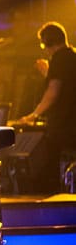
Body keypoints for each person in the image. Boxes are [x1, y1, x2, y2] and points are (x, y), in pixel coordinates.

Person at [19, 22, 76, 192]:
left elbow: (53, 92)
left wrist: (33, 115)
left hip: (63, 125)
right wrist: (47, 72)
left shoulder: (58, 59)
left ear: (47, 42)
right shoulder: (72, 56)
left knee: (50, 162)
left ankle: (51, 192)